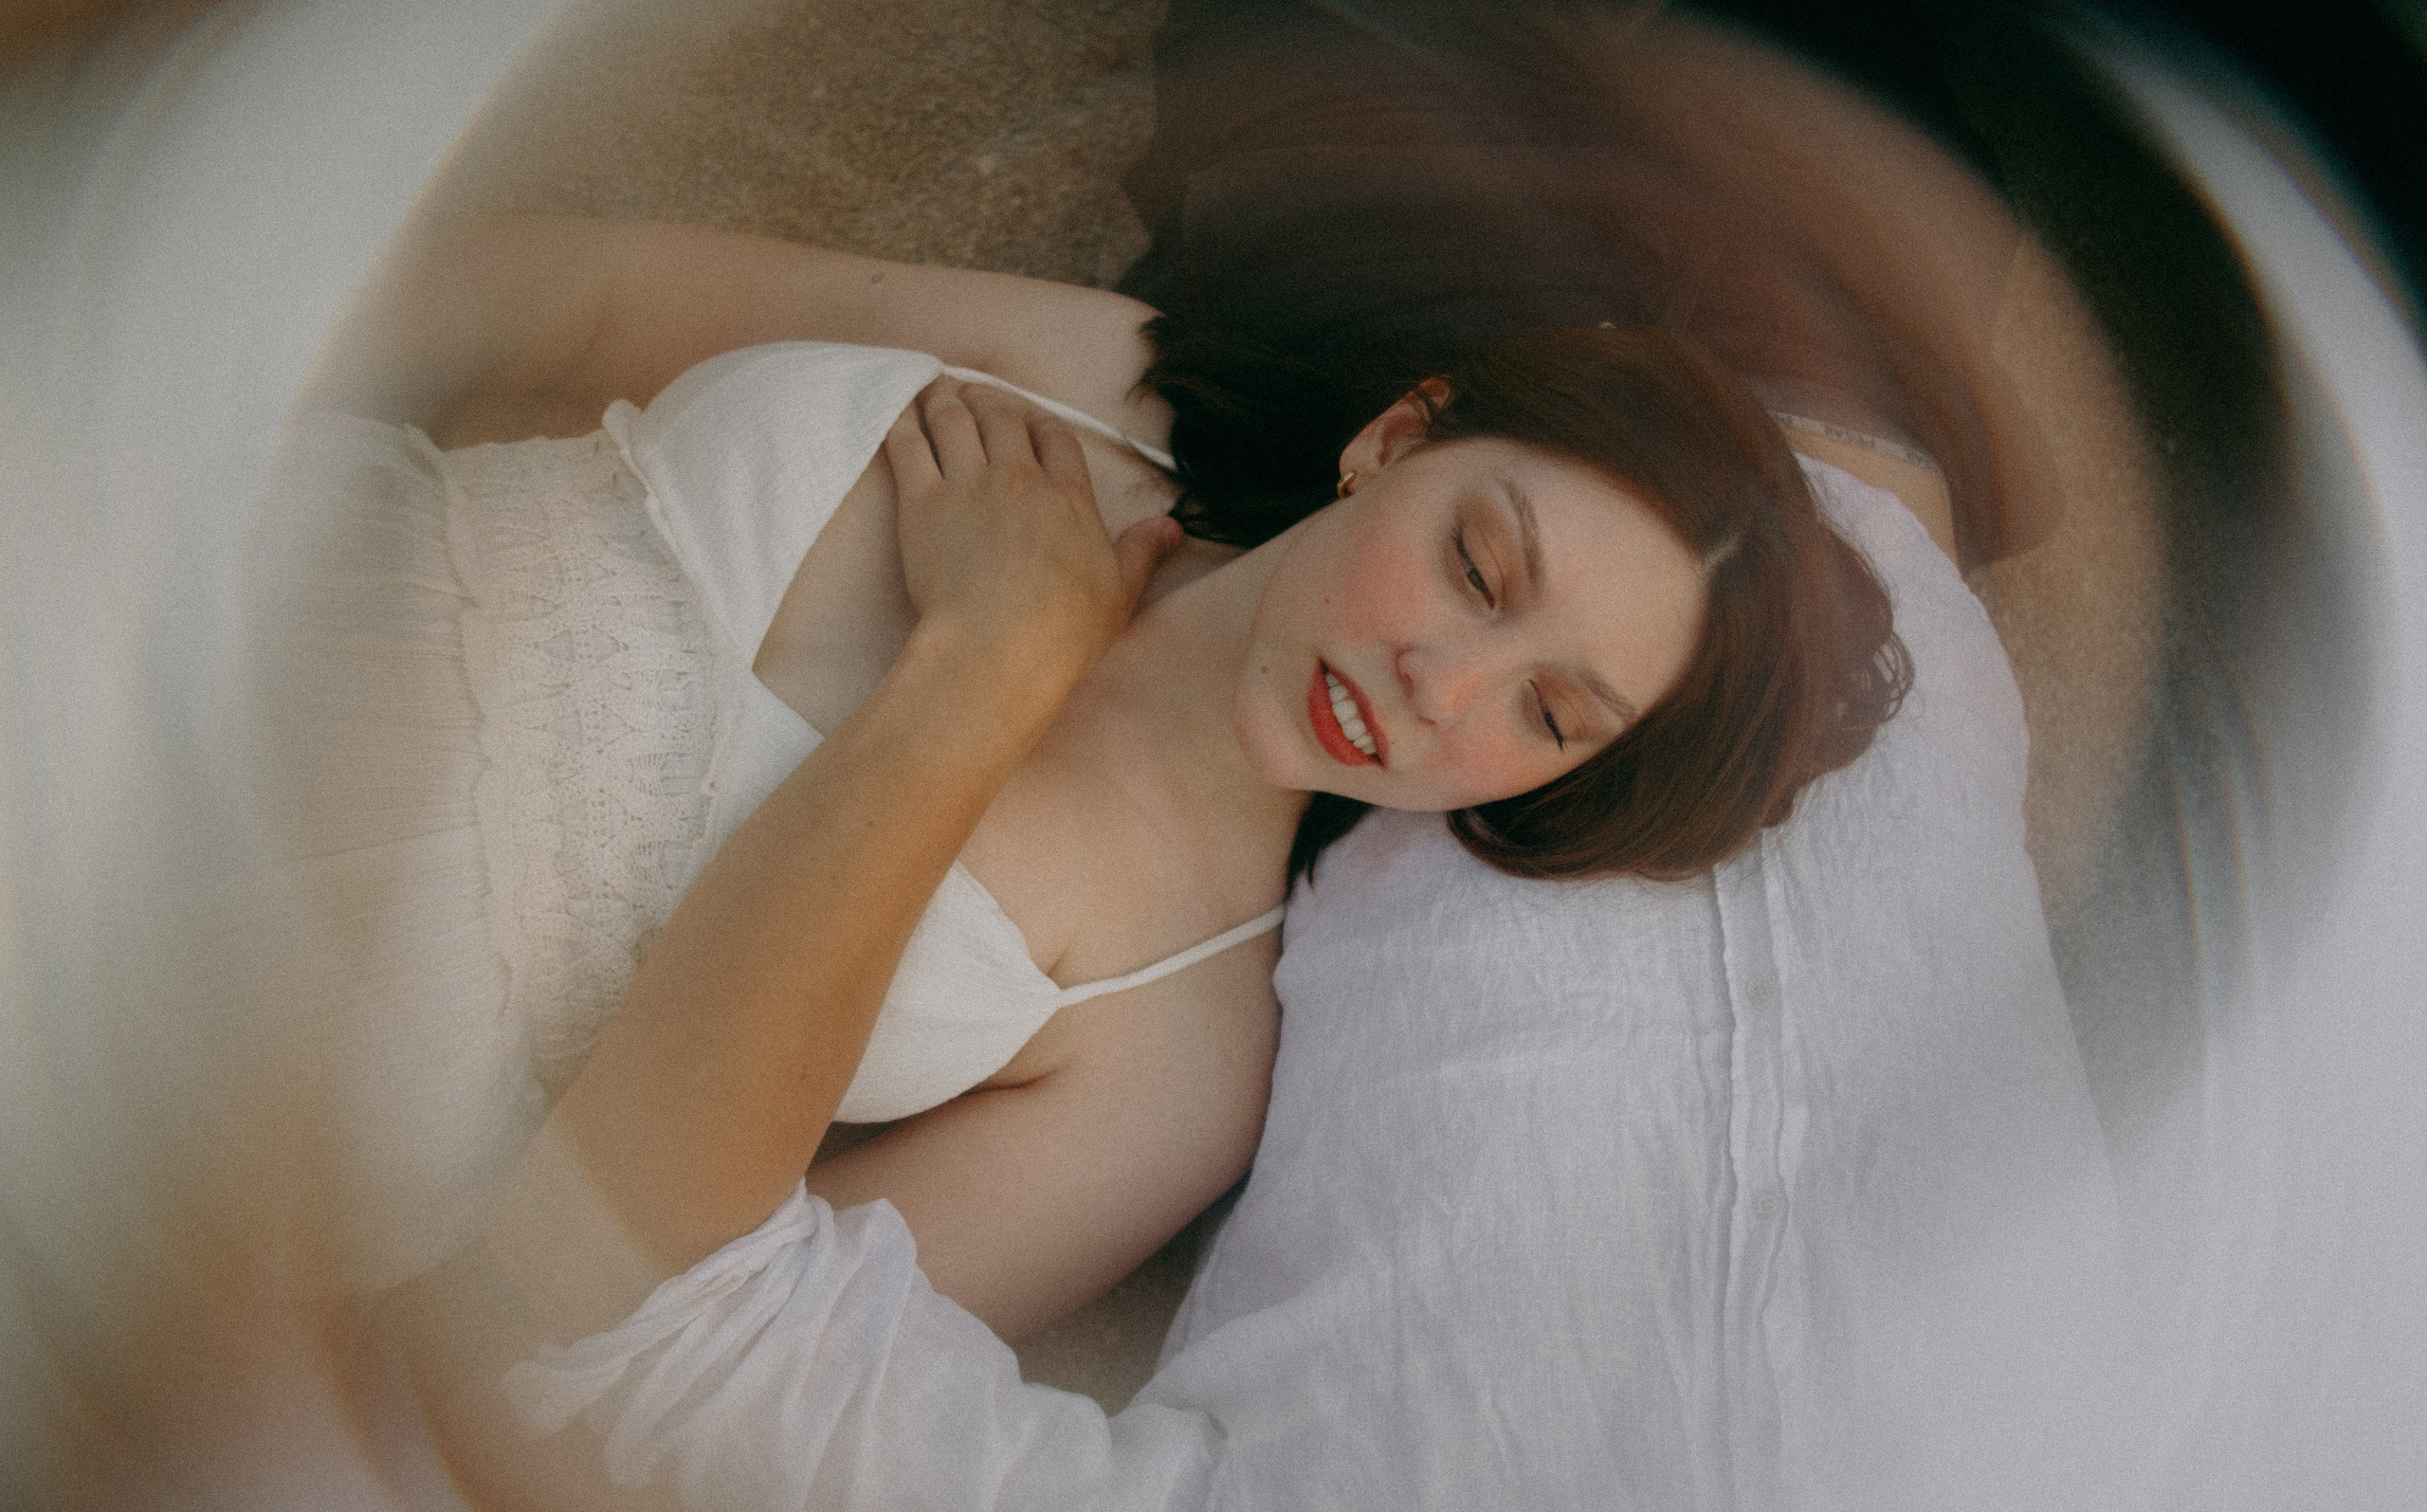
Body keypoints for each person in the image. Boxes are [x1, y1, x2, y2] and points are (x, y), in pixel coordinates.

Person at [258, 208, 1912, 1502]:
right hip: (249, 554)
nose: (1442, 689)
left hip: (262, 1087)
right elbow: (593, 300)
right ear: (1397, 439)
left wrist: (990, 659)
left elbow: (612, 1300)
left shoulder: (1178, 1055)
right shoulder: (1100, 385)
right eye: (1480, 570)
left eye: (1551, 716)